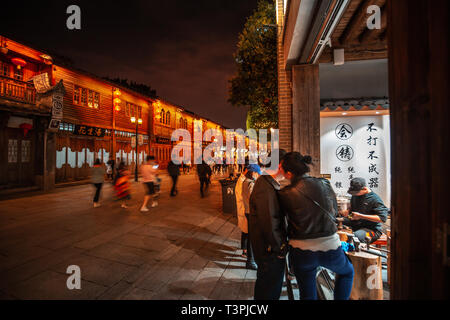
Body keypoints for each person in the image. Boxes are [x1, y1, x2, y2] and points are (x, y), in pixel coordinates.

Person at [278, 152, 354, 300]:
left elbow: (282, 221)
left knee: (306, 292)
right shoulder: (324, 183)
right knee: (347, 272)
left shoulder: (284, 194)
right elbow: (334, 210)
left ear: (288, 173)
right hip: (329, 246)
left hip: (301, 250)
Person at [248, 149, 288, 300]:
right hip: (269, 252)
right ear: (280, 165)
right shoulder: (265, 188)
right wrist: (281, 248)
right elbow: (270, 223)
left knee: (267, 287)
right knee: (269, 291)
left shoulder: (267, 183)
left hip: (269, 250)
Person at [341, 177, 389, 244]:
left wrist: (360, 216)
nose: (354, 194)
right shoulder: (356, 195)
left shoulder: (375, 199)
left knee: (356, 237)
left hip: (372, 229)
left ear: (364, 189)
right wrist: (347, 210)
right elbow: (352, 207)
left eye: (356, 192)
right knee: (335, 221)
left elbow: (382, 218)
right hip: (356, 224)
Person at [242, 164, 261, 270]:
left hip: (247, 211)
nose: (258, 175)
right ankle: (251, 260)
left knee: (250, 236)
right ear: (253, 173)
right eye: (257, 173)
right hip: (251, 213)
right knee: (252, 237)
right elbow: (253, 200)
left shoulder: (245, 182)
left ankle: (251, 259)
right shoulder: (251, 184)